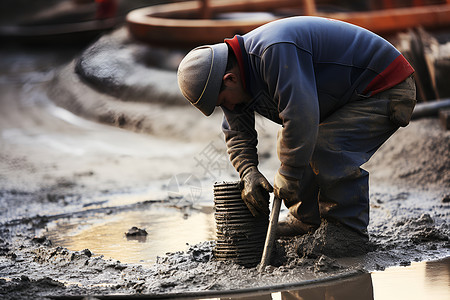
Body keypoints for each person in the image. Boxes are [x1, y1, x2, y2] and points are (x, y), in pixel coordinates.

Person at [177, 17, 416, 241]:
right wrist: (248, 172)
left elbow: (301, 117)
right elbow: (237, 133)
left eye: (223, 102)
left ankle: (347, 233)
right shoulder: (234, 77)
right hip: (341, 96)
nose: (228, 108)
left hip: (383, 86)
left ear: (229, 79)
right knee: (291, 140)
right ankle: (306, 221)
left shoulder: (273, 51)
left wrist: (289, 174)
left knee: (325, 146)